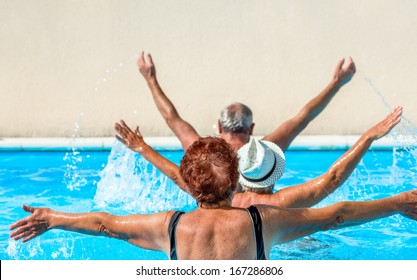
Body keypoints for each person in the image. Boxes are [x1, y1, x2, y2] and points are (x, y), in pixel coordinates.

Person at [10, 137, 417, 260]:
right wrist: (397, 202)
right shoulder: (263, 220)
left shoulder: (169, 225)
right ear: (235, 179)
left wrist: (53, 216)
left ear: (189, 184)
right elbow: (337, 215)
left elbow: (103, 223)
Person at [115, 106, 403, 208]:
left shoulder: (214, 196)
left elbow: (178, 175)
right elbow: (333, 178)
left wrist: (142, 147)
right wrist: (368, 137)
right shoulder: (278, 203)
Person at [137, 51, 356, 152]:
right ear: (251, 128)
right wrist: (336, 83)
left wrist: (151, 79)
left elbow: (171, 118)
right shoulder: (266, 151)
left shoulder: (202, 151)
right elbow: (304, 117)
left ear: (220, 126)